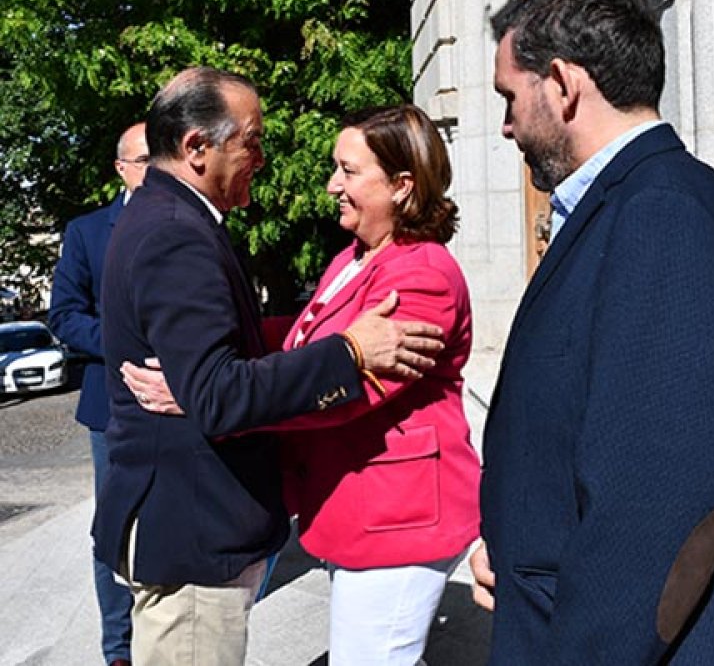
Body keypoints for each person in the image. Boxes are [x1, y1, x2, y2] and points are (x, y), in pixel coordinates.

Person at [95, 67, 444, 666]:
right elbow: (220, 396)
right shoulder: (176, 233)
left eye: (349, 170)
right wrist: (351, 353)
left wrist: (213, 377)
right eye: (250, 141)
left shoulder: (167, 215)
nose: (262, 156)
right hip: (194, 535)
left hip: (206, 527)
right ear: (196, 148)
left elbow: (245, 352)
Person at [469, 0, 714, 663]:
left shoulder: (665, 211)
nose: (506, 126)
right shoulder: (624, 204)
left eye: (511, 97)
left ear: (562, 84)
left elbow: (661, 496)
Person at [48, 122, 149, 666]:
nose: (156, 170)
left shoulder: (191, 220)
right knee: (114, 525)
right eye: (144, 161)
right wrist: (125, 345)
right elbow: (64, 316)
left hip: (182, 400)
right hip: (112, 406)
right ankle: (119, 649)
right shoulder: (87, 232)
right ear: (121, 169)